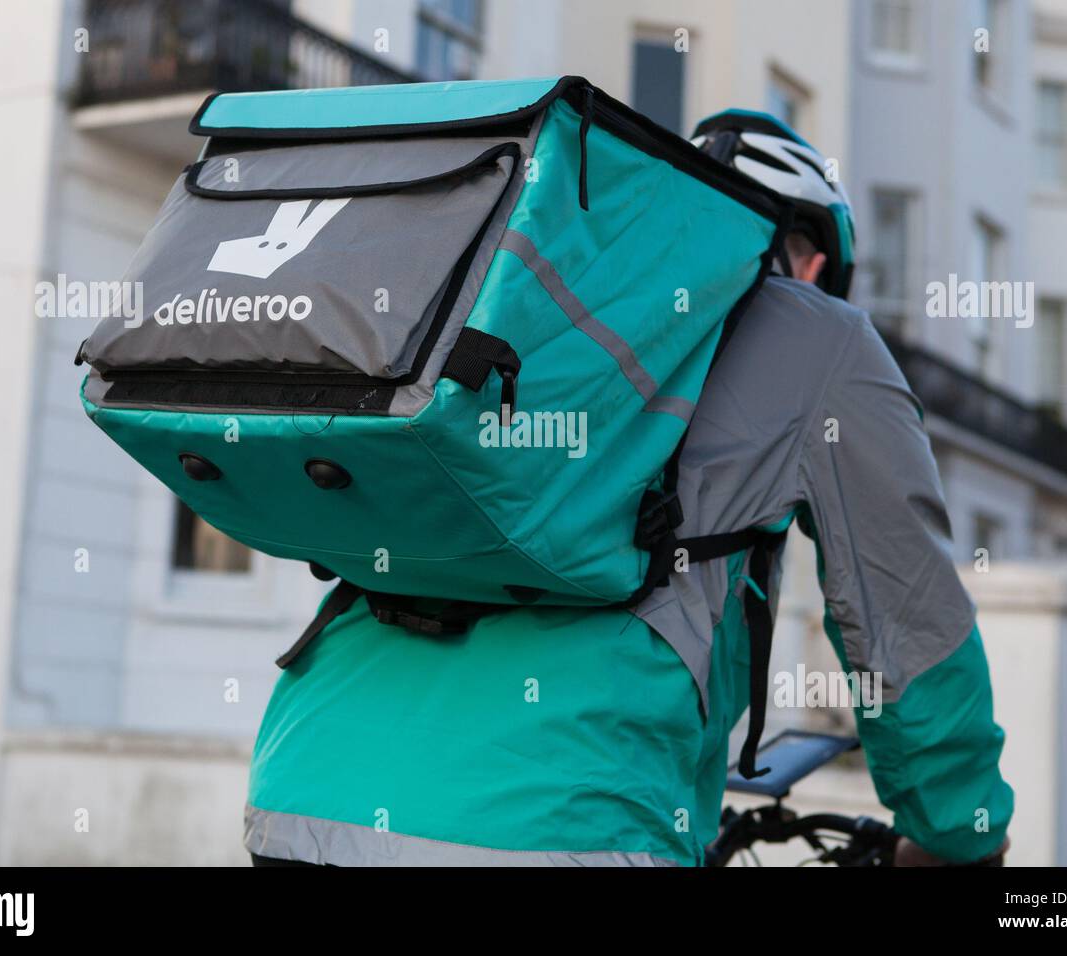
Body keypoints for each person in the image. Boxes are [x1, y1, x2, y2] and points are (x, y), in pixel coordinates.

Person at [245, 111, 1013, 867]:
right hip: (567, 826)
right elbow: (904, 617)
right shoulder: (821, 335)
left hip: (302, 792)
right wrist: (959, 829)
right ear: (813, 263)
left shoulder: (526, 305)